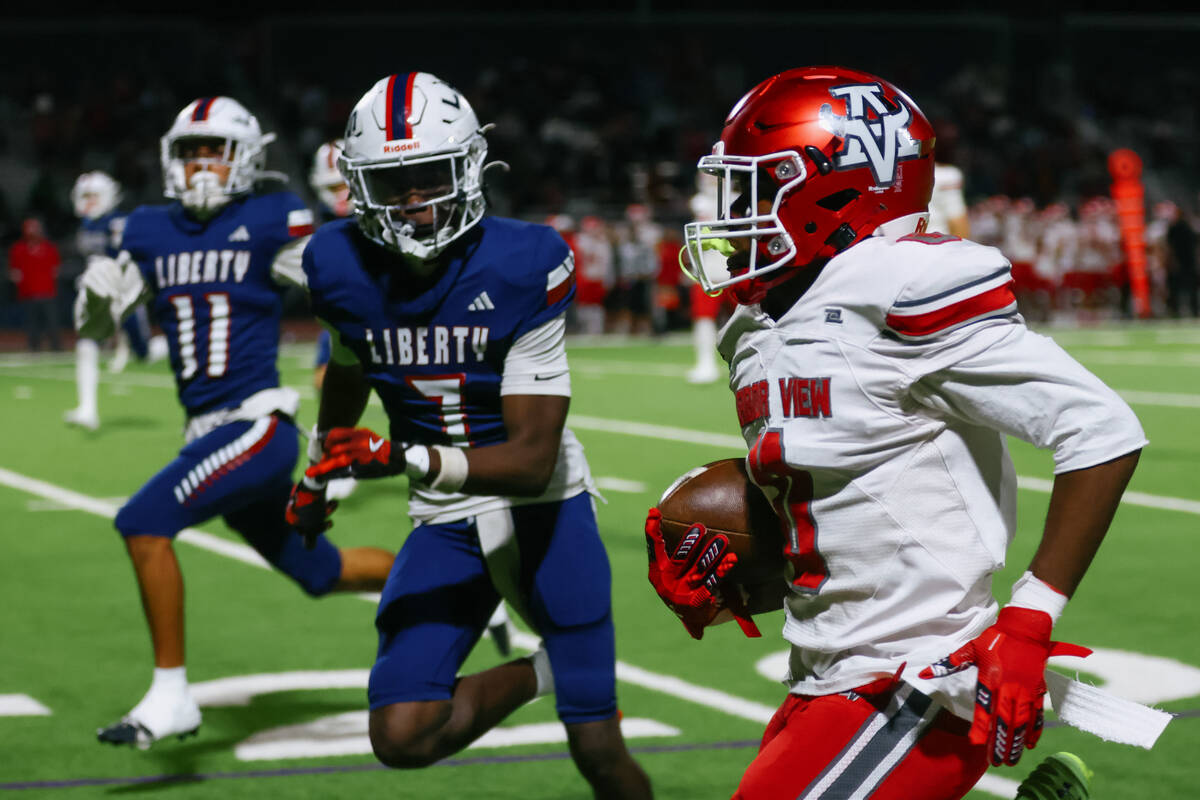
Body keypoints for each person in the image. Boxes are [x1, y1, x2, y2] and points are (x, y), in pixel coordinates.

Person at [650, 66, 1144, 799]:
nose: (737, 215)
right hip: (823, 665)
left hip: (913, 678)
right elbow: (848, 478)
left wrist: (1030, 621)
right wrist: (748, 539)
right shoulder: (758, 326)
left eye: (758, 190)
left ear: (838, 190)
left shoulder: (898, 288)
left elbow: (1101, 429)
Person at [295, 72, 652, 798]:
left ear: (469, 166)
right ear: (357, 185)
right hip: (445, 520)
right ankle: (550, 668)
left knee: (597, 750)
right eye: (391, 182)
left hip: (544, 511)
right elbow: (350, 364)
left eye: (430, 175)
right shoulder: (335, 263)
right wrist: (317, 469)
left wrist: (398, 455)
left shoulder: (525, 262)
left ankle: (572, 670)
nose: (413, 200)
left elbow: (530, 462)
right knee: (402, 734)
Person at [74, 95, 395, 750]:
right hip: (209, 432)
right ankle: (458, 579)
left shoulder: (271, 217)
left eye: (213, 151)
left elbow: (336, 281)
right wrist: (96, 305)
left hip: (256, 427)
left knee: (141, 522)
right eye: (189, 152)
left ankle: (171, 696)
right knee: (321, 572)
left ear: (243, 157)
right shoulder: (149, 229)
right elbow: (102, 324)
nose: (200, 165)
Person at [66, 171, 168, 430]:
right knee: (87, 342)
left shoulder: (118, 222)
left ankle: (176, 342)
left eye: (94, 195)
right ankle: (87, 410)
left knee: (144, 354)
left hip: (123, 292)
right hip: (101, 294)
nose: (89, 201)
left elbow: (131, 257)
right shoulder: (87, 224)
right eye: (85, 195)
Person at [8, 217, 62, 352]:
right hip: (28, 294)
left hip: (47, 292)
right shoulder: (18, 249)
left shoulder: (49, 248)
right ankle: (34, 348)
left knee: (52, 322)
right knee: (32, 324)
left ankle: (56, 348)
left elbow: (56, 270)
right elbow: (14, 273)